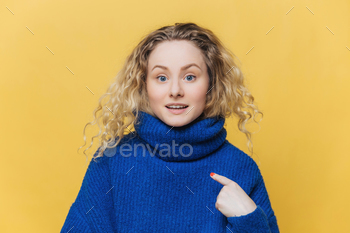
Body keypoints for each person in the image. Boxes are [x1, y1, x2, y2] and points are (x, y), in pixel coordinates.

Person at [60, 22, 280, 233]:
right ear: (144, 85)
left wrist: (249, 220)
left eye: (190, 76)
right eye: (162, 77)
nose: (175, 90)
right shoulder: (112, 160)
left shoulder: (241, 168)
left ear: (211, 85)